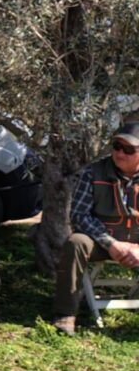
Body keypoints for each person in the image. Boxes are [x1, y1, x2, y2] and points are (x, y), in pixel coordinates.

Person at [53, 121, 139, 335]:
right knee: (76, 242)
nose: (120, 153)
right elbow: (79, 215)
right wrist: (112, 244)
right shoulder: (93, 172)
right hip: (103, 241)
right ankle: (65, 313)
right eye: (116, 146)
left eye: (129, 149)